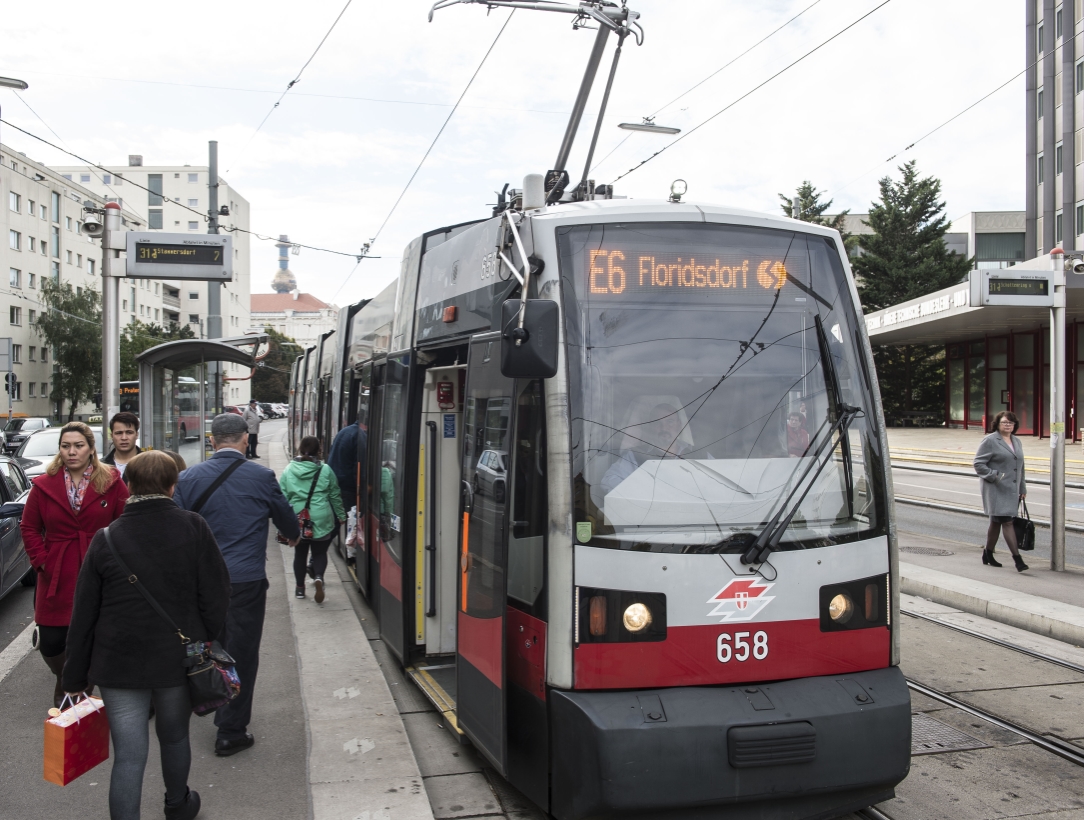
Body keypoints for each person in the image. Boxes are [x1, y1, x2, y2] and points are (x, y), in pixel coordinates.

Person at [62, 451, 230, 820]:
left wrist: (75, 678)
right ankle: (178, 805)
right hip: (177, 660)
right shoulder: (194, 527)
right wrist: (204, 641)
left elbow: (84, 613)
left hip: (118, 663)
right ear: (173, 486)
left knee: (129, 755)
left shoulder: (106, 538)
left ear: (128, 486)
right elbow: (216, 595)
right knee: (174, 737)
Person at [173, 413, 299, 756]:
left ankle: (205, 701)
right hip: (245, 582)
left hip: (202, 585)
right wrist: (292, 534)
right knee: (242, 653)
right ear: (245, 439)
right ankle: (230, 731)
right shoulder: (262, 476)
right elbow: (286, 519)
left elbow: (175, 530)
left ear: (212, 441)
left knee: (206, 648)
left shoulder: (188, 478)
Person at [21, 421, 129, 707]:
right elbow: (29, 526)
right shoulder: (44, 486)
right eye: (65, 446)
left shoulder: (112, 481)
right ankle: (67, 679)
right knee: (52, 640)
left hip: (97, 569)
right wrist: (41, 561)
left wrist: (113, 564)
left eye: (78, 445)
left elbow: (125, 524)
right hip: (56, 570)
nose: (72, 452)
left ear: (91, 448)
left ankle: (76, 691)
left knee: (90, 635)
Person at [280, 436, 346, 602]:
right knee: (319, 552)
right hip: (321, 516)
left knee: (300, 554)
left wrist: (284, 519)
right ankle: (318, 577)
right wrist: (341, 515)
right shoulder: (325, 470)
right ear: (319, 450)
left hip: (298, 518)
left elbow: (282, 496)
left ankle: (300, 589)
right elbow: (335, 495)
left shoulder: (289, 469)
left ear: (300, 449)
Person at [974, 410, 1029, 572]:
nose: (1008, 425)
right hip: (995, 488)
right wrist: (995, 476)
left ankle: (988, 553)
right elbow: (978, 463)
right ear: (997, 424)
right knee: (1007, 521)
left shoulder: (1017, 441)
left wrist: (1022, 487)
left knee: (996, 522)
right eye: (1004, 422)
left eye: (1011, 423)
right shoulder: (990, 440)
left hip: (1012, 489)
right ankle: (1017, 559)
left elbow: (1021, 467)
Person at [327, 411, 367, 515]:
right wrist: (362, 491)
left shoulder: (345, 431)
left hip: (335, 484)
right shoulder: (360, 436)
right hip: (347, 490)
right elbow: (359, 469)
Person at [102, 411, 143, 479]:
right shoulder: (101, 466)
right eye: (119, 433)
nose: (124, 438)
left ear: (136, 435)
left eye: (129, 433)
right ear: (112, 435)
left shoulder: (148, 464)